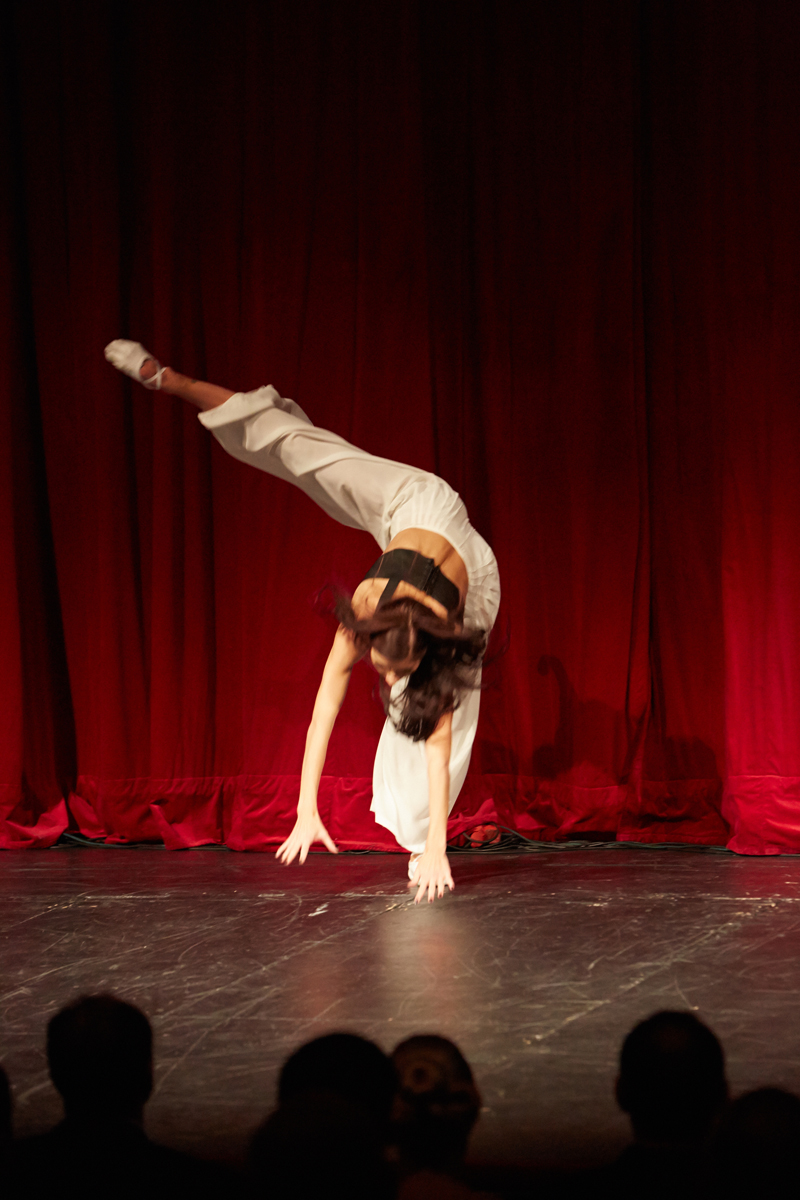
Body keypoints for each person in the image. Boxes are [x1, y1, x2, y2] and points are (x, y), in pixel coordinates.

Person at [105, 340, 500, 902]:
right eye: (385, 668)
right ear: (370, 633)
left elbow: (438, 748)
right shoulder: (364, 609)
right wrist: (305, 808)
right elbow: (323, 713)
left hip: (472, 571)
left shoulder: (440, 640)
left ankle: (420, 842)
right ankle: (167, 379)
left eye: (395, 671)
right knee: (301, 447)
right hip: (416, 502)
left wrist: (438, 842)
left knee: (431, 724)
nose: (388, 678)